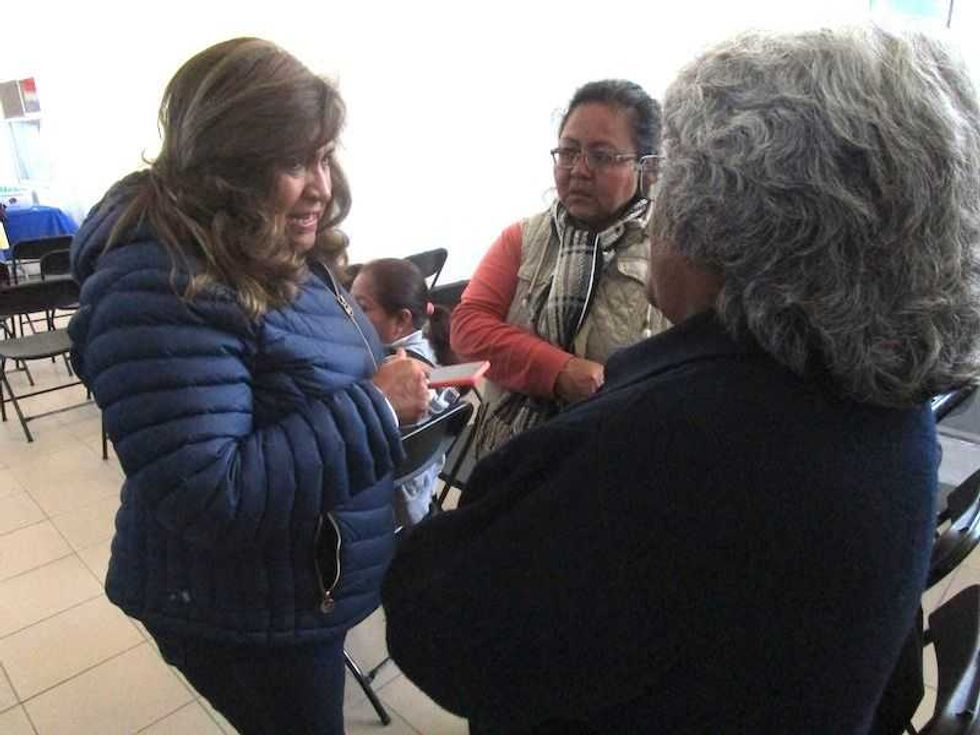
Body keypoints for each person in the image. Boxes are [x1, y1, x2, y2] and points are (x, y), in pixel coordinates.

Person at [382, 26, 980, 734]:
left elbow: (443, 628)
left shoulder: (669, 442)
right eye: (568, 151)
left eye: (673, 178)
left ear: (730, 216)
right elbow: (477, 323)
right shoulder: (884, 401)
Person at [67, 38, 430, 735]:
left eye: (323, 155)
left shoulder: (268, 243)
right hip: (238, 609)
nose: (321, 186)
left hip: (291, 581)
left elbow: (291, 375)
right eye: (293, 162)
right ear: (226, 165)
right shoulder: (161, 282)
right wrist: (377, 406)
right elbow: (210, 491)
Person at [451, 79, 668, 458]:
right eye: (568, 152)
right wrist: (559, 371)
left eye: (602, 156)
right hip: (514, 451)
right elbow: (469, 327)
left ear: (647, 168)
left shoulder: (672, 250)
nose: (579, 170)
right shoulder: (524, 238)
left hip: (624, 453)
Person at [351, 257, 457, 526]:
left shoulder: (392, 374)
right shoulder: (429, 352)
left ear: (401, 320)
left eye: (361, 307)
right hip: (417, 508)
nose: (349, 315)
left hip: (383, 514)